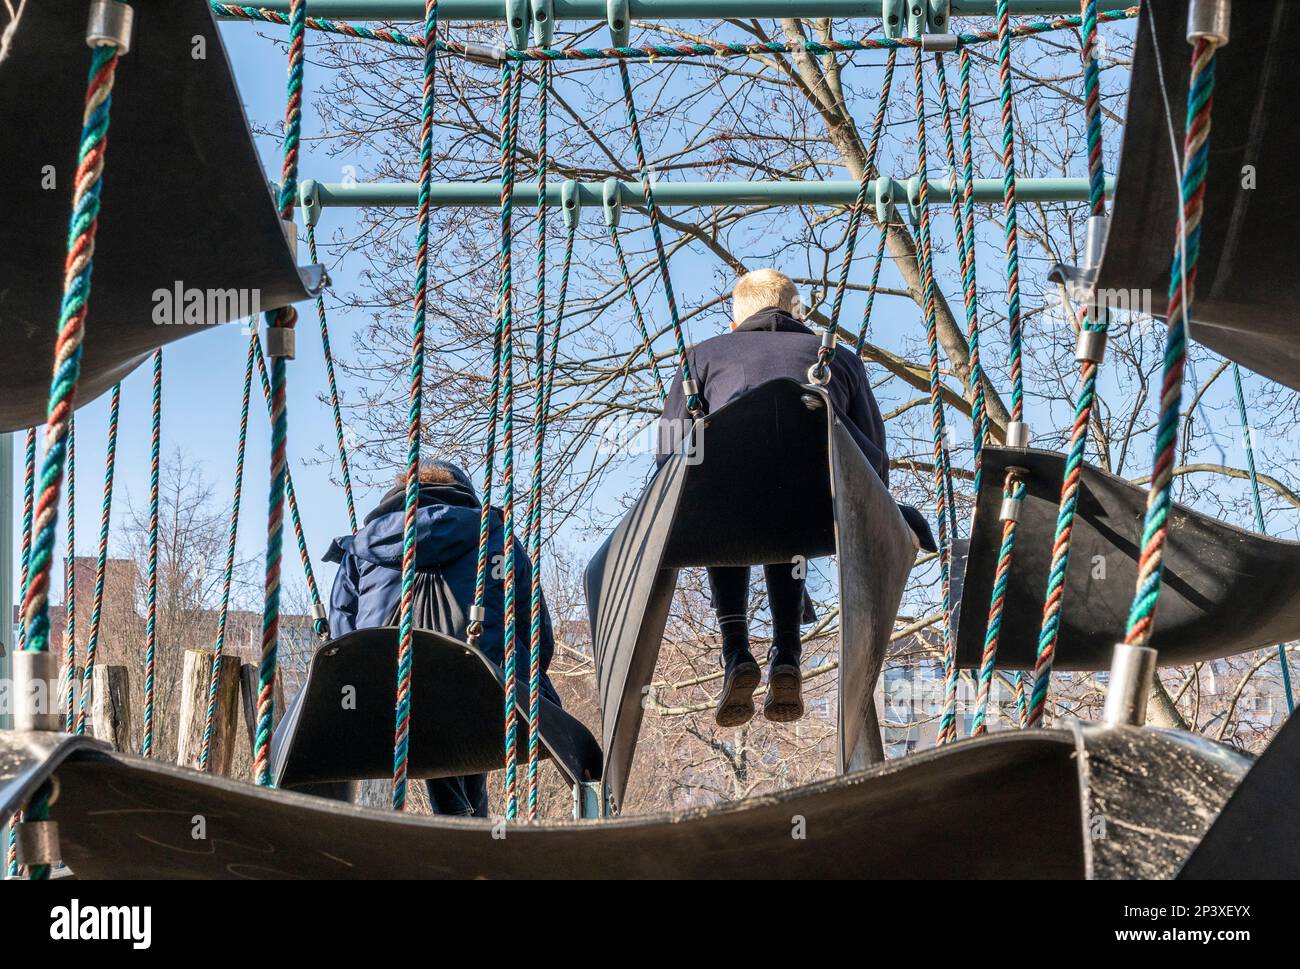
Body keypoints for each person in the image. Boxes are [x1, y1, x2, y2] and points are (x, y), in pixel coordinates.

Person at [656, 269, 935, 728]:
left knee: (717, 491)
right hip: (821, 513)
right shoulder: (836, 359)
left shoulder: (700, 360)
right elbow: (875, 456)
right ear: (797, 314)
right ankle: (787, 653)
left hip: (726, 516)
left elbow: (669, 456)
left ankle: (736, 651)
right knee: (786, 496)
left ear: (734, 322)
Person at [322, 460, 561, 817]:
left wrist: (353, 681)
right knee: (473, 692)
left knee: (425, 700)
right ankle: (467, 825)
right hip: (486, 691)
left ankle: (460, 819)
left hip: (383, 693)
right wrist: (531, 674)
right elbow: (537, 633)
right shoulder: (497, 540)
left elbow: (342, 635)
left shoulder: (362, 549)